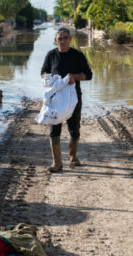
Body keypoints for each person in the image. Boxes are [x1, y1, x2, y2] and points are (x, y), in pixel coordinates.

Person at [40, 27, 93, 172]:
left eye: (65, 38)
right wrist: (48, 78)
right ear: (55, 40)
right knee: (54, 129)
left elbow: (88, 75)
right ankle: (57, 163)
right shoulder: (51, 55)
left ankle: (73, 157)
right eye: (60, 38)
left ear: (70, 39)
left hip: (73, 98)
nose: (62, 41)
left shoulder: (77, 55)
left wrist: (74, 77)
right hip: (55, 98)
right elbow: (43, 72)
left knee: (74, 128)